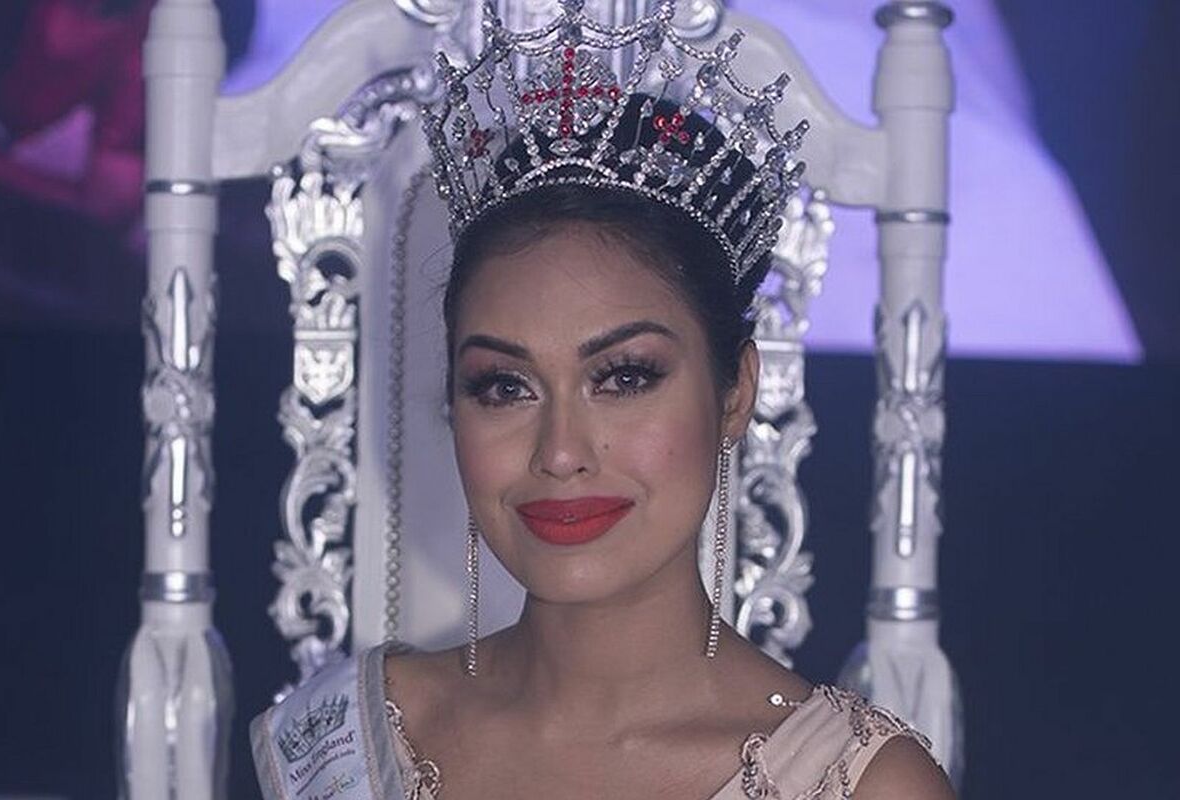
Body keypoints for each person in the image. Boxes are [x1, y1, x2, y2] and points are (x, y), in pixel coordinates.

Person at [251, 4, 955, 798]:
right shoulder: (339, 747)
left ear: (734, 392)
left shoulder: (864, 786)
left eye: (623, 377)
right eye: (504, 386)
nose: (560, 452)